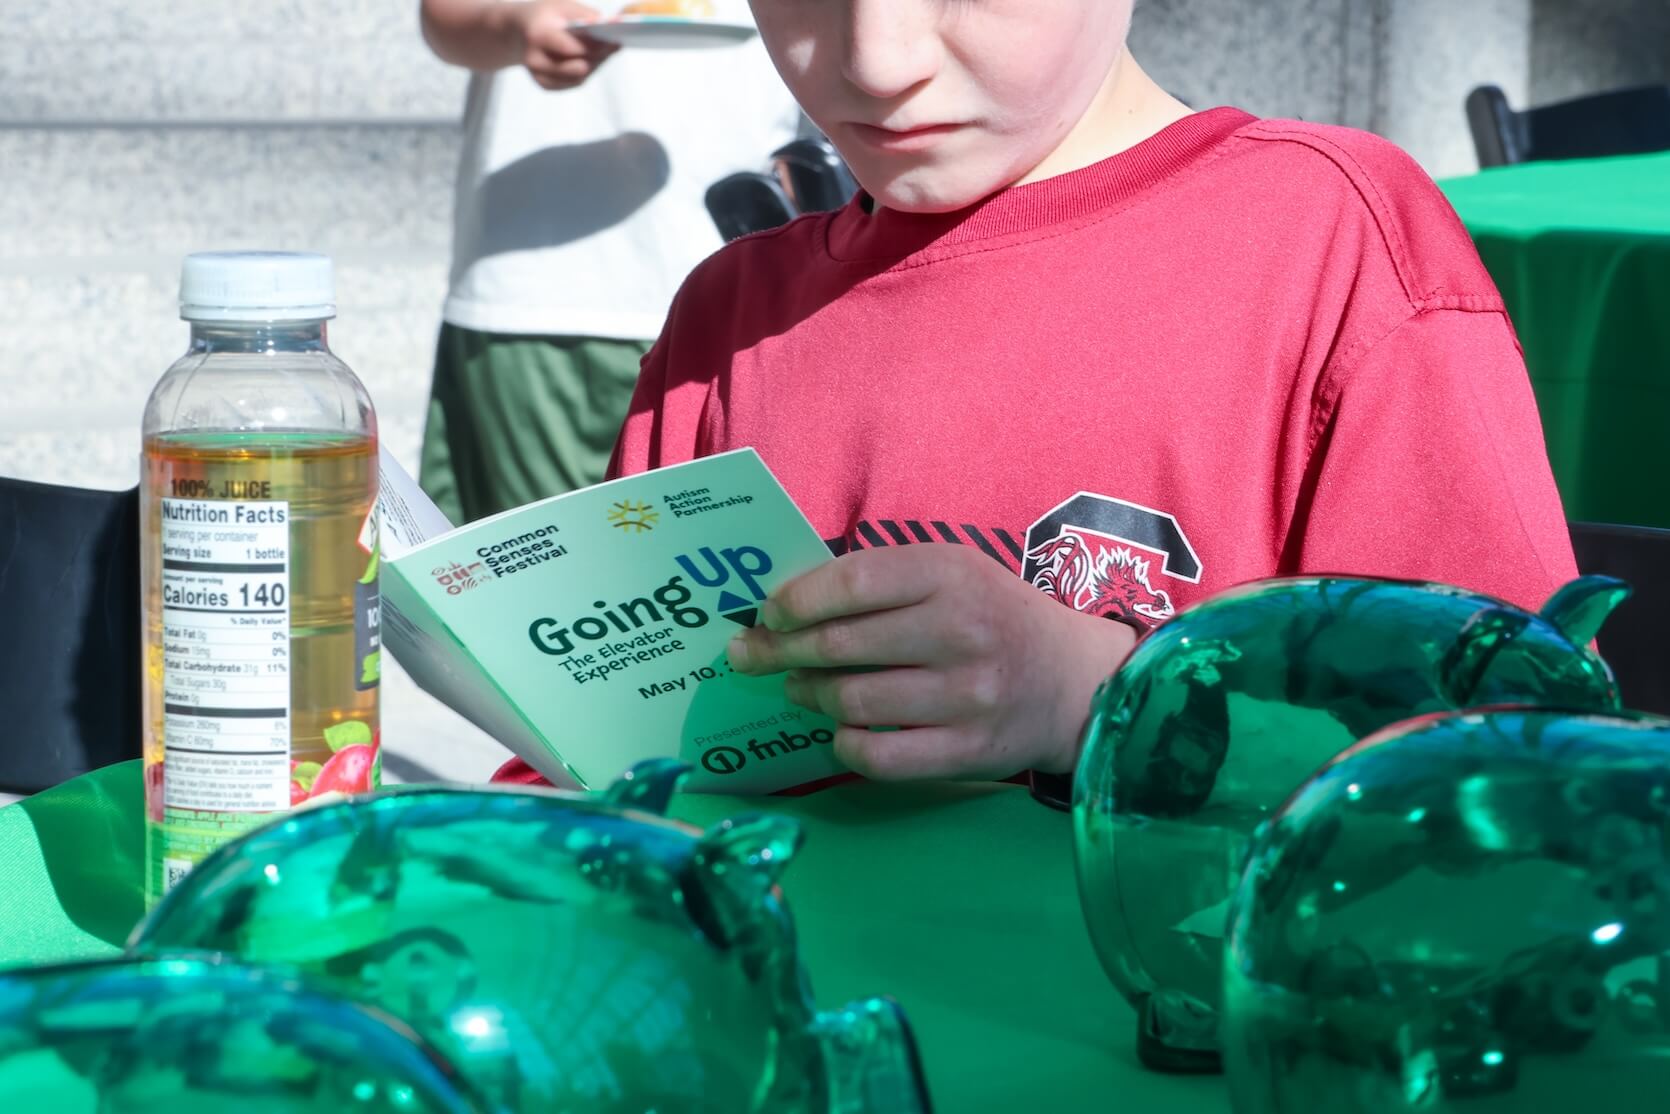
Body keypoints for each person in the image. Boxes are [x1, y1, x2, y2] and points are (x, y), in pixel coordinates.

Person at [496, 0, 1579, 791]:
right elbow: (604, 758)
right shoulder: (730, 315)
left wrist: (1097, 697)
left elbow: (1512, 772)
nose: (876, 61)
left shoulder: (1329, 244)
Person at [417, 0, 803, 524]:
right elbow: (446, 17)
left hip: (759, 293)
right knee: (530, 584)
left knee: (732, 575)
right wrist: (515, 28)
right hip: (545, 293)